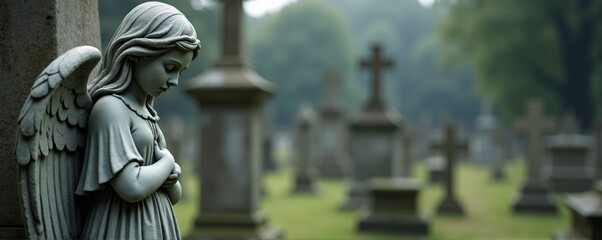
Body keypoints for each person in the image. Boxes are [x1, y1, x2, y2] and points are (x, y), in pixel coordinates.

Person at [74, 2, 201, 239]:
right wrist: (167, 164)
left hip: (156, 225)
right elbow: (131, 187)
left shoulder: (148, 114)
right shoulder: (110, 109)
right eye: (170, 67)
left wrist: (171, 176)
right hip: (121, 227)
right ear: (138, 54)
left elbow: (174, 196)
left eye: (180, 72)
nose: (174, 81)